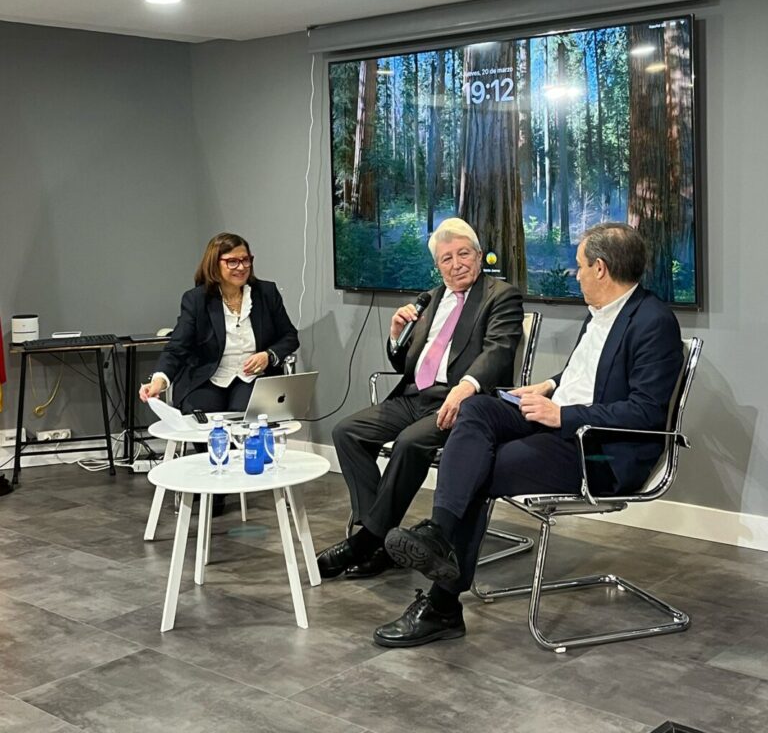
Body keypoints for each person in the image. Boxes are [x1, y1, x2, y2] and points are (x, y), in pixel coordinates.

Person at [375, 222, 683, 648]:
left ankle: (442, 605)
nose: (575, 274)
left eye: (580, 266)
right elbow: (586, 376)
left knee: (481, 467)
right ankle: (440, 536)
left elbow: (646, 412)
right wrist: (549, 386)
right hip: (562, 422)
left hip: (599, 451)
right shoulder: (599, 312)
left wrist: (562, 414)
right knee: (477, 407)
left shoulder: (653, 321)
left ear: (600, 268)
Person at [316, 218, 523, 581]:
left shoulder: (501, 296)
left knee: (410, 443)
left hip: (462, 403)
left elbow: (499, 351)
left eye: (463, 254)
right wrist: (396, 337)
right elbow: (409, 365)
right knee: (347, 432)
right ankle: (380, 537)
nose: (456, 264)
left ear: (479, 255)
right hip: (415, 396)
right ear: (437, 265)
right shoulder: (430, 299)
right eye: (447, 258)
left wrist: (466, 386)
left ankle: (367, 542)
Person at [139, 232, 299, 413]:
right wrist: (159, 380)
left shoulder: (266, 293)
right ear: (214, 264)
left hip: (253, 378)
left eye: (246, 260)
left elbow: (290, 336)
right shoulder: (196, 300)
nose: (241, 267)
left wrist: (268, 355)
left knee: (246, 414)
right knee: (201, 415)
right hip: (207, 378)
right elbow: (177, 347)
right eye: (232, 262)